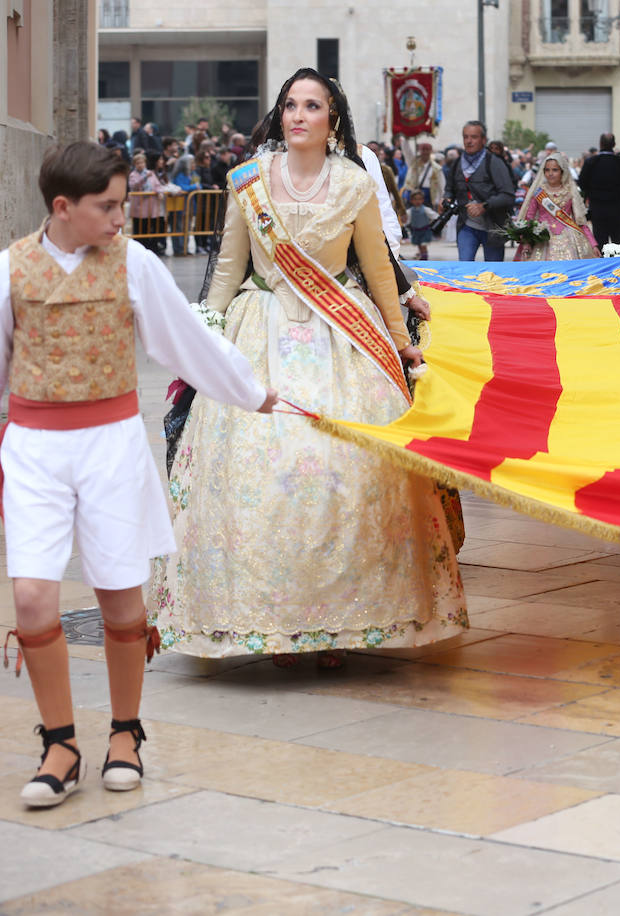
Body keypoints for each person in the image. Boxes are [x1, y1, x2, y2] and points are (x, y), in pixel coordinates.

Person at [149, 68, 467, 666]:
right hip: (260, 336)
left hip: (343, 337)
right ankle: (274, 626)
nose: (299, 115)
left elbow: (376, 271)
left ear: (332, 120)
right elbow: (226, 271)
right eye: (290, 105)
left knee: (348, 475)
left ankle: (342, 627)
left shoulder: (353, 184)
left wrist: (402, 344)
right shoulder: (248, 182)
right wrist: (207, 342)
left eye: (312, 106)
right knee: (258, 478)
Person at [1, 142, 275, 807]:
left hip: (111, 444)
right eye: (109, 206)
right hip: (35, 446)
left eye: (123, 202)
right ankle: (60, 743)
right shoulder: (10, 269)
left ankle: (126, 732)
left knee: (121, 597)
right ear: (63, 208)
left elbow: (184, 339)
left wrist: (250, 390)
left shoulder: (136, 263)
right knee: (34, 597)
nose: (124, 216)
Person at [442, 120, 517, 262]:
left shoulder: (495, 162)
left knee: (492, 273)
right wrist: (446, 199)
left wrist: (484, 206)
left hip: (493, 227)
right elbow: (449, 190)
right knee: (465, 269)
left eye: (474, 137)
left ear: (483, 140)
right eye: (466, 137)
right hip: (466, 225)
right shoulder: (457, 163)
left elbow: (508, 196)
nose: (469, 141)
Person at [514, 151, 598, 261]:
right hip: (542, 238)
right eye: (547, 170)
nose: (550, 173)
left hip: (569, 238)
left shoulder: (570, 191)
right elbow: (529, 219)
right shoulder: (538, 193)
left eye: (555, 170)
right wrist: (526, 243)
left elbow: (581, 222)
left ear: (562, 172)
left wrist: (593, 244)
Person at [578, 132, 620, 248]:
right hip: (618, 209)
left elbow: (582, 184)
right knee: (619, 243)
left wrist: (592, 192)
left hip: (597, 209)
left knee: (600, 242)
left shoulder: (591, 162)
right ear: (614, 144)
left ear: (600, 144)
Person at [127, 151, 169, 256]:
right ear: (135, 164)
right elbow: (134, 185)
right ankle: (139, 249)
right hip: (139, 207)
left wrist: (159, 192)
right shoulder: (133, 174)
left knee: (152, 228)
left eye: (142, 163)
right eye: (138, 163)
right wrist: (144, 178)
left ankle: (153, 248)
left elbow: (157, 185)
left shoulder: (150, 173)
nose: (140, 165)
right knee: (140, 228)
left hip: (151, 207)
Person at [402, 140, 443, 207]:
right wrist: (406, 138)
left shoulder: (436, 168)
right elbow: (407, 152)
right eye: (423, 150)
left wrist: (440, 200)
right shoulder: (413, 163)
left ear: (431, 151)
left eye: (427, 150)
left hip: (427, 198)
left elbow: (442, 186)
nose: (425, 152)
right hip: (412, 196)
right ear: (420, 151)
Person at [406, 188, 438, 259]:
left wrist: (438, 221)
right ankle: (422, 254)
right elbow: (407, 220)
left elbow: (434, 215)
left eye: (419, 199)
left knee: (423, 244)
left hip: (424, 231)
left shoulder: (425, 209)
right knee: (419, 244)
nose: (417, 201)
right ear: (411, 200)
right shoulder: (410, 211)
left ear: (423, 200)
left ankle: (424, 256)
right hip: (416, 231)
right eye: (415, 199)